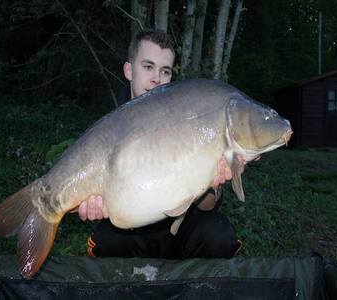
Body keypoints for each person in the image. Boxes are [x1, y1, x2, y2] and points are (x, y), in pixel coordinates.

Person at [76, 30, 241, 259]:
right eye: (148, 67)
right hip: (134, 230)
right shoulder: (108, 132)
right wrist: (89, 205)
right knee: (107, 242)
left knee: (218, 234)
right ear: (128, 70)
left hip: (183, 226)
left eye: (165, 71)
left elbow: (208, 206)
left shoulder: (190, 119)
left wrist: (212, 183)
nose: (156, 78)